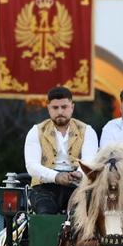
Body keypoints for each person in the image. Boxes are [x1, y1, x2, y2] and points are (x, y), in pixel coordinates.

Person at [23, 86, 99, 215]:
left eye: (64, 107)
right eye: (55, 108)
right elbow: (31, 166)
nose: (60, 111)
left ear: (72, 107)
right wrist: (56, 177)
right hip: (44, 187)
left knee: (82, 217)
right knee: (45, 213)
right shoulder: (36, 131)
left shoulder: (87, 131)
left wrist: (79, 174)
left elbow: (89, 161)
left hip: (78, 186)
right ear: (48, 108)